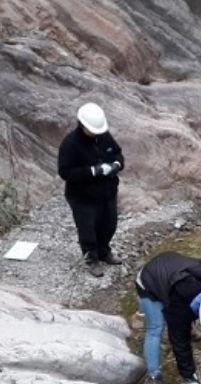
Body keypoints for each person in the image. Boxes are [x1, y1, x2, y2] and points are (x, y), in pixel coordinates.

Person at [135, 251, 201, 384]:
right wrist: (190, 377)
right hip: (149, 280)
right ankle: (152, 378)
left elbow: (199, 299)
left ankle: (189, 326)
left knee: (185, 315)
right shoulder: (178, 304)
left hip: (173, 268)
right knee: (155, 328)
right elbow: (179, 343)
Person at [58, 103, 124, 277]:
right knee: (88, 229)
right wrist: (93, 171)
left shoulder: (104, 136)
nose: (97, 133)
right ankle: (91, 259)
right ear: (82, 125)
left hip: (107, 192)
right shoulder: (71, 144)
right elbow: (65, 172)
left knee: (109, 224)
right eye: (93, 130)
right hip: (83, 197)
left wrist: (116, 165)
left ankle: (104, 252)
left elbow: (117, 153)